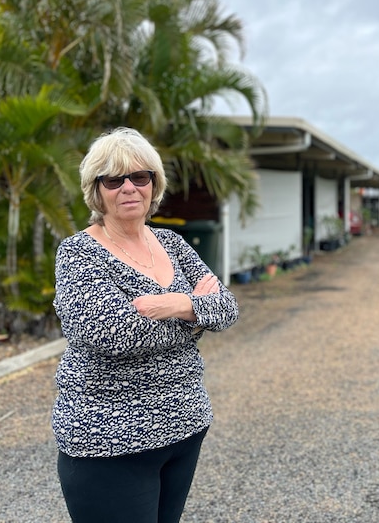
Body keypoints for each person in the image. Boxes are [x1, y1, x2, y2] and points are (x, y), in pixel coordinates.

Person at [51, 127, 239, 523]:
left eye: (140, 177)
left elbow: (226, 308)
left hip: (184, 428)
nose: (129, 188)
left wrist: (175, 304)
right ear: (96, 190)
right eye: (114, 179)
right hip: (110, 441)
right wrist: (195, 314)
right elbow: (112, 334)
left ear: (154, 184)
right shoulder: (78, 253)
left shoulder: (171, 243)